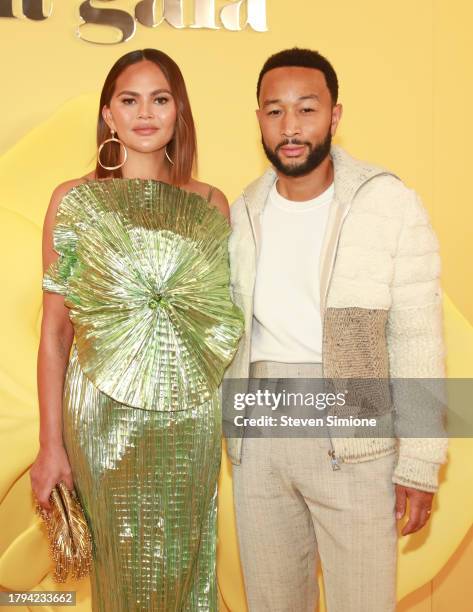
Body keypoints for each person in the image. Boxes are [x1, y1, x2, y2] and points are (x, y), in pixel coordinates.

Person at [225, 48, 448, 612]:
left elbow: (417, 336)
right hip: (261, 436)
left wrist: (420, 461)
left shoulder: (388, 203)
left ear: (335, 114)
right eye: (275, 112)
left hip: (354, 432)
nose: (291, 127)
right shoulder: (242, 212)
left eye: (307, 109)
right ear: (258, 119)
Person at [30, 48, 243, 611]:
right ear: (108, 114)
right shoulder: (72, 201)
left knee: (185, 562)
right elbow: (55, 334)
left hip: (189, 416)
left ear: (179, 112)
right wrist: (51, 446)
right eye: (129, 99)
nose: (144, 113)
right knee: (121, 569)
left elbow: (218, 323)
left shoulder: (210, 204)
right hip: (97, 413)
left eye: (160, 99)